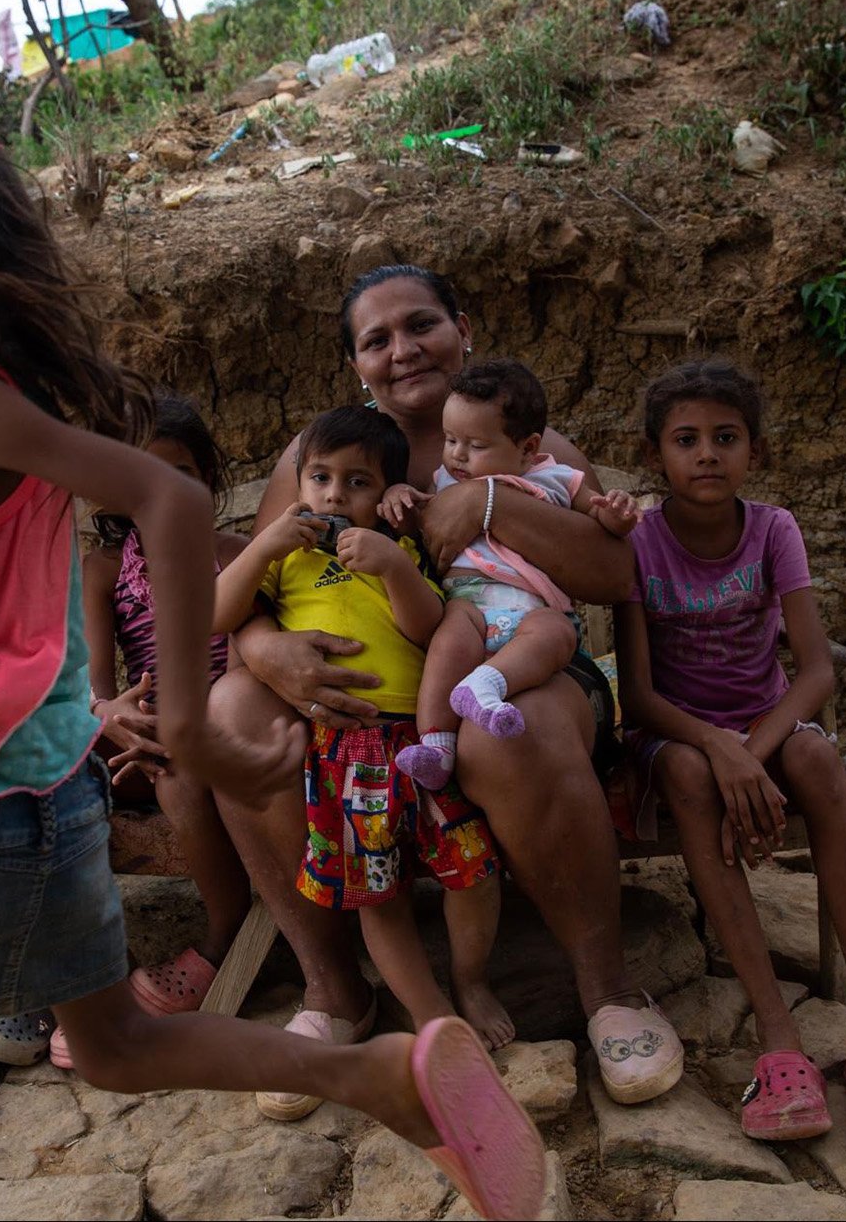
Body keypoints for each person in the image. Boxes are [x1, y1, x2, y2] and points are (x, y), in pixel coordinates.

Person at [0, 100, 549, 1221]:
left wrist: (186, 721)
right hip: (35, 796)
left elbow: (171, 497)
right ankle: (376, 1074)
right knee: (122, 1042)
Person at [209, 264, 685, 1116]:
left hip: (525, 663)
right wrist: (267, 650)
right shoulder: (323, 452)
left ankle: (608, 989)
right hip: (369, 695)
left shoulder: (526, 437)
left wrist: (491, 504)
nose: (403, 350)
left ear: (463, 328)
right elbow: (258, 579)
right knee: (233, 709)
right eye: (376, 339)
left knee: (512, 732)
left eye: (421, 325)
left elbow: (618, 574)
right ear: (356, 363)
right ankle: (333, 993)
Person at [613, 360, 846, 1140]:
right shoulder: (639, 544)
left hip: (765, 726)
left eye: (725, 438)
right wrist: (723, 754)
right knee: (695, 773)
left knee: (820, 760)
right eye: (686, 440)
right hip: (679, 736)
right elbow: (639, 695)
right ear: (656, 454)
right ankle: (778, 1038)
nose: (706, 455)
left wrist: (753, 754)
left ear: (753, 452)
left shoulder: (773, 530)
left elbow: (818, 669)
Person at [0, 393, 253, 1068]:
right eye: (142, 472)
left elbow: (253, 658)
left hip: (218, 725)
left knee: (183, 777)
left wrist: (193, 723)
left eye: (181, 471)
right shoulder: (103, 569)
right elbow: (92, 687)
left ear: (210, 478)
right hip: (137, 723)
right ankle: (29, 971)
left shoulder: (237, 553)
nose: (162, 488)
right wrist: (114, 716)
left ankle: (225, 940)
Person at [212, 406, 511, 1074]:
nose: (334, 496)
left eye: (357, 483)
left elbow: (428, 629)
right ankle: (430, 1012)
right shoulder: (285, 564)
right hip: (345, 755)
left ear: (388, 497)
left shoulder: (396, 553)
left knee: (472, 869)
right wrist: (262, 546)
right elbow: (218, 613)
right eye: (319, 479)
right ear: (299, 487)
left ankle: (473, 977)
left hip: (418, 745)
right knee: (377, 895)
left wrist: (395, 568)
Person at [377, 358, 643, 788]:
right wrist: (398, 496)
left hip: (533, 610)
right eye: (450, 440)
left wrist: (617, 515)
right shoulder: (446, 480)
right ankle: (437, 742)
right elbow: (420, 520)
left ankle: (486, 685)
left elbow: (601, 524)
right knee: (448, 644)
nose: (457, 455)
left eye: (475, 445)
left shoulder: (558, 478)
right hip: (470, 604)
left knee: (557, 634)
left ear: (526, 447)